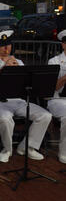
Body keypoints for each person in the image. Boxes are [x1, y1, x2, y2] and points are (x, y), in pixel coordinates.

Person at [0, 30, 52, 163]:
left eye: (8, 44)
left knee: (45, 115)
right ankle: (7, 150)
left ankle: (27, 147)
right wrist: (4, 69)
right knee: (4, 118)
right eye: (3, 45)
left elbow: (28, 82)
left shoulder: (18, 61)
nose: (6, 48)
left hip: (18, 100)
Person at [46, 29, 66, 164]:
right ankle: (64, 151)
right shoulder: (54, 61)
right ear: (63, 44)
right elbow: (53, 87)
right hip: (58, 99)